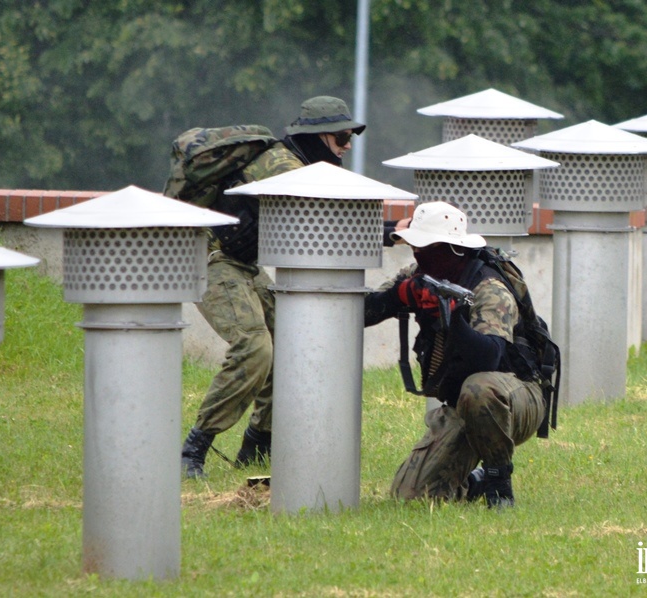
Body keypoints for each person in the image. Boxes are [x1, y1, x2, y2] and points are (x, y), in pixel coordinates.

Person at [179, 96, 366, 478]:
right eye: (343, 137)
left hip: (240, 264)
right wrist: (385, 233)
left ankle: (258, 447)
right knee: (254, 347)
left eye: (350, 137)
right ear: (316, 137)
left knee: (291, 341)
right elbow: (330, 224)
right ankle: (193, 449)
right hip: (206, 259)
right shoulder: (285, 166)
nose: (347, 146)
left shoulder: (296, 164)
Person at [363, 202, 545, 508]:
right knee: (412, 496)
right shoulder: (420, 275)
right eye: (416, 245)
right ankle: (475, 481)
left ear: (453, 248)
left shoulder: (488, 286)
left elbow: (491, 359)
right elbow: (361, 312)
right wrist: (401, 295)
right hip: (463, 404)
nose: (418, 254)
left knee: (480, 388)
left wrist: (455, 319)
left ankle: (499, 482)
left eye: (427, 247)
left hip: (516, 397)